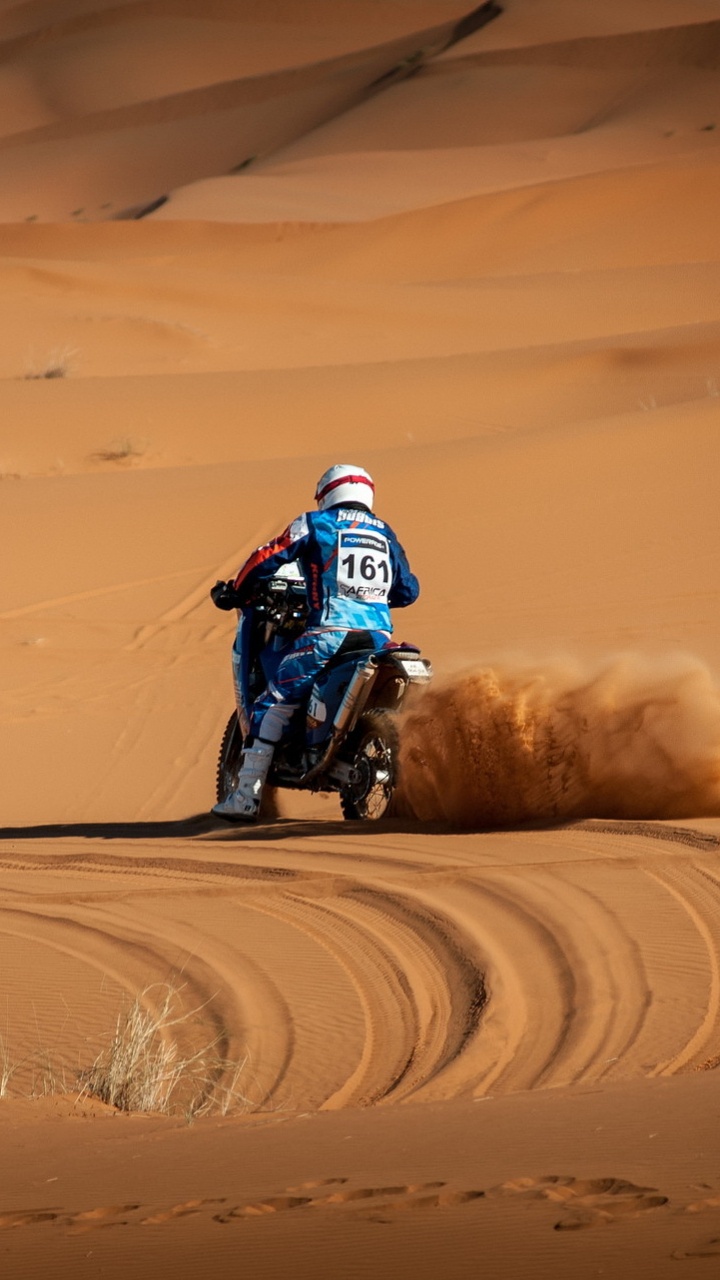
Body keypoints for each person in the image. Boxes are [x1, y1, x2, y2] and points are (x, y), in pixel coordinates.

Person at [211, 463, 420, 821]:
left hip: (328, 634)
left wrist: (238, 588)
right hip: (377, 637)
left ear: (327, 493)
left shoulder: (316, 523)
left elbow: (269, 556)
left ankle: (245, 799)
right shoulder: (385, 533)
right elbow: (407, 590)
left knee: (272, 701)